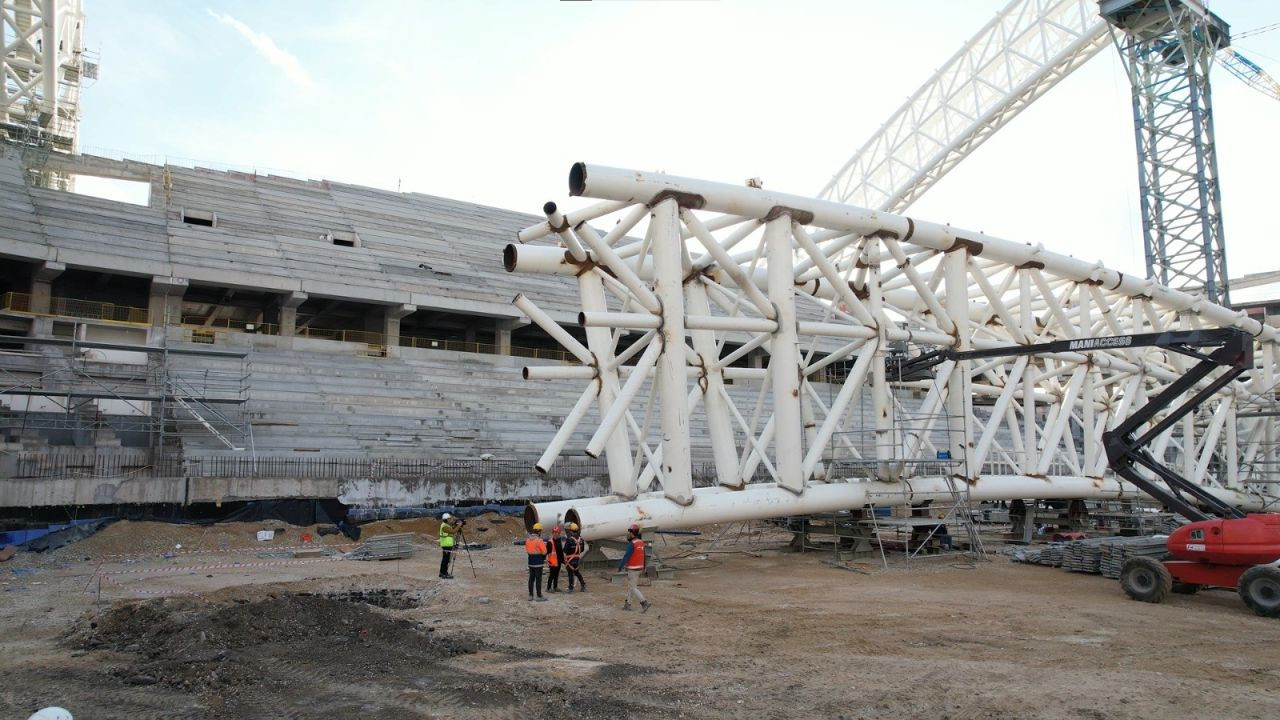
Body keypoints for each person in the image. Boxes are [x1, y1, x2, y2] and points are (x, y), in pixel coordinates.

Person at [617, 523, 651, 613]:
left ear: (632, 533)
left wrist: (620, 566)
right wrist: (644, 566)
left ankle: (644, 602)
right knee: (631, 586)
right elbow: (643, 555)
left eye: (629, 532)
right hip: (639, 568)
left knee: (633, 587)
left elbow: (626, 556)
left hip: (633, 569)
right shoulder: (641, 542)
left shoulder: (632, 544)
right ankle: (628, 604)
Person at [524, 523, 549, 601]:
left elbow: (528, 551)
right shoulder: (539, 541)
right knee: (538, 580)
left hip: (531, 562)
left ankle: (531, 595)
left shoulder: (528, 540)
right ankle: (539, 595)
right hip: (538, 563)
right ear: (539, 531)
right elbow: (544, 552)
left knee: (531, 579)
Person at [438, 513, 463, 579]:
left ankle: (443, 572)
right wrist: (459, 525)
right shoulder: (444, 526)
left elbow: (452, 529)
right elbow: (453, 531)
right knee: (445, 560)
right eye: (449, 519)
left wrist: (456, 525)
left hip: (448, 545)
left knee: (446, 559)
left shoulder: (446, 525)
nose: (450, 520)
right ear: (446, 519)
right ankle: (443, 573)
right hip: (446, 545)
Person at [564, 522, 587, 593]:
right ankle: (583, 585)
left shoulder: (569, 539)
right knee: (577, 572)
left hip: (570, 559)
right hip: (577, 558)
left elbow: (565, 550)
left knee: (570, 573)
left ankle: (571, 588)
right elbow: (582, 549)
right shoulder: (581, 539)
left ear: (571, 530)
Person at [545, 525, 566, 593]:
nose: (555, 533)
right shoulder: (550, 542)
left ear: (559, 533)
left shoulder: (559, 541)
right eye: (554, 532)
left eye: (557, 532)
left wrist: (563, 561)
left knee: (556, 575)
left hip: (558, 561)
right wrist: (549, 561)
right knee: (552, 575)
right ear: (552, 533)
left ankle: (555, 587)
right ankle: (548, 588)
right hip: (553, 562)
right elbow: (548, 553)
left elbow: (560, 552)